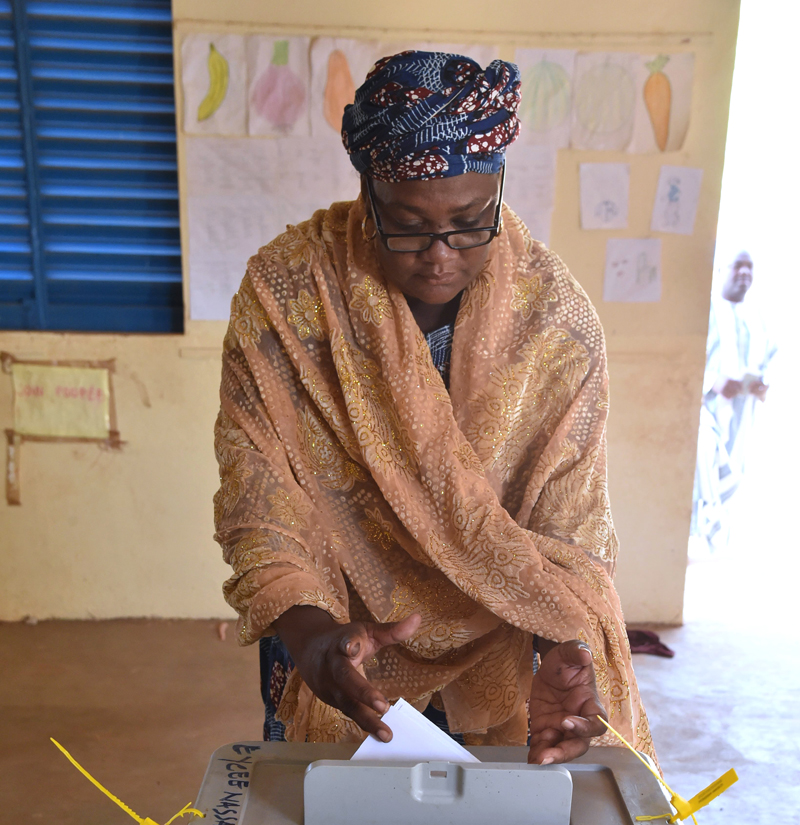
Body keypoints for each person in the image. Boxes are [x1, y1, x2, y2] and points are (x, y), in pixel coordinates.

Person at [214, 50, 653, 764]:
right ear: (368, 191)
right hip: (334, 645)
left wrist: (566, 652)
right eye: (410, 225)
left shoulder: (555, 321)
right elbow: (258, 497)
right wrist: (311, 634)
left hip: (503, 650)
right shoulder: (287, 297)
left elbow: (569, 531)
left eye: (472, 221)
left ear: (500, 188)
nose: (441, 255)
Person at [692, 249, 776, 552]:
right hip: (709, 410)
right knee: (706, 470)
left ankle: (719, 545)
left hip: (744, 415)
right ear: (722, 271)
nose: (744, 272)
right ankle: (701, 540)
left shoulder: (760, 318)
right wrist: (713, 381)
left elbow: (774, 358)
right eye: (737, 266)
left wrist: (764, 384)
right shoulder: (706, 311)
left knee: (736, 477)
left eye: (749, 267)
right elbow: (687, 358)